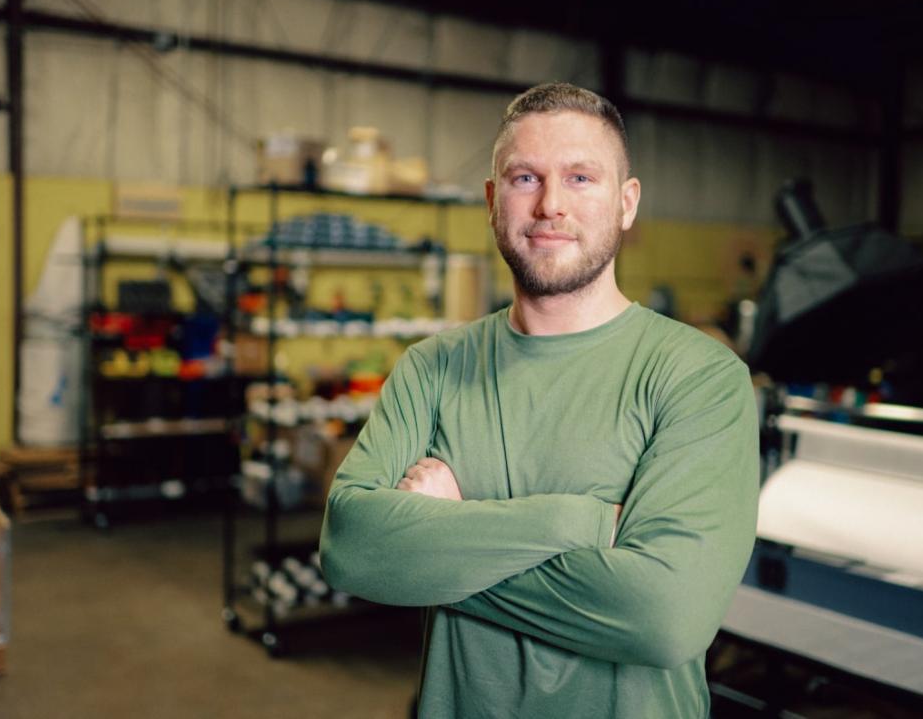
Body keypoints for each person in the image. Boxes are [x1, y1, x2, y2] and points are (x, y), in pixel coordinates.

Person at [319, 82, 759, 718]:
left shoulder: (698, 377)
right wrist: (578, 523)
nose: (551, 204)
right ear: (494, 201)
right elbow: (353, 550)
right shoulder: (434, 367)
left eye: (581, 177)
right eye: (526, 177)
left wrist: (440, 549)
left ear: (626, 203)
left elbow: (665, 618)